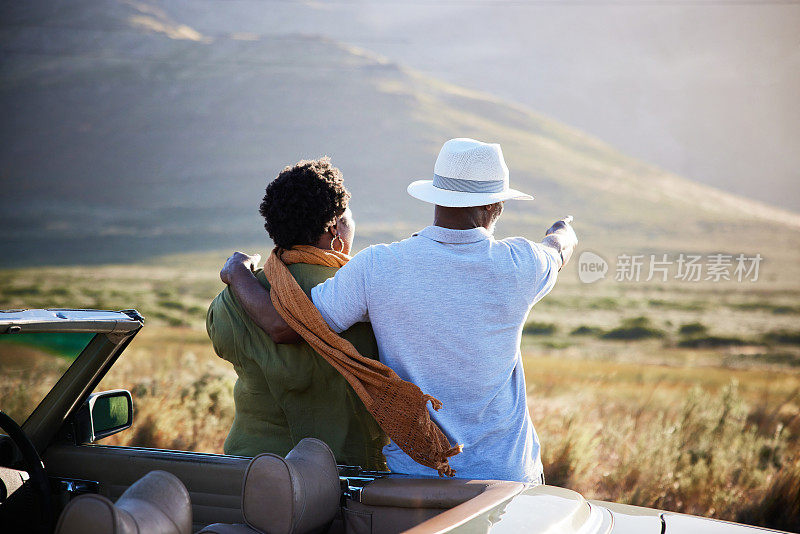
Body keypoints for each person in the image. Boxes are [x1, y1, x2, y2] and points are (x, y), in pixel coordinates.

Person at [222, 138, 578, 483]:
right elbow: (557, 250)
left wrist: (237, 272)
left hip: (414, 478)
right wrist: (563, 231)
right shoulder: (522, 263)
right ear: (493, 205)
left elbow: (283, 326)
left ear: (436, 197)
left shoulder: (378, 266)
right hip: (507, 477)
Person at [207, 157, 387, 470]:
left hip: (249, 472)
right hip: (346, 477)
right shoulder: (360, 295)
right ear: (334, 225)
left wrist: (238, 273)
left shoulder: (230, 303)